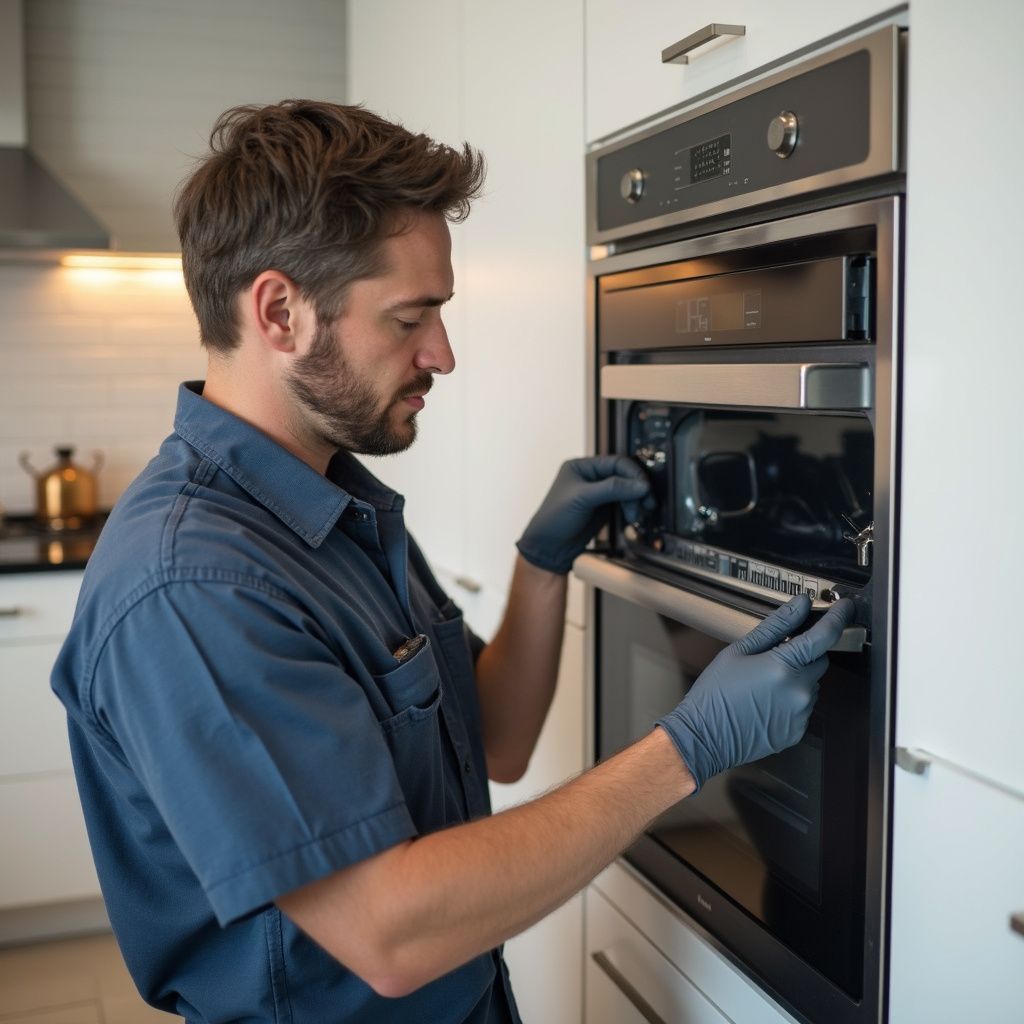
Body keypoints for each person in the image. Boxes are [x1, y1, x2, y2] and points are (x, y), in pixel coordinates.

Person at [52, 100, 853, 1023]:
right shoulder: (197, 584)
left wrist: (542, 565)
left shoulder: (329, 509)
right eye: (410, 317)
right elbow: (389, 934)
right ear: (280, 312)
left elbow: (499, 739)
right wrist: (689, 747)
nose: (444, 353)